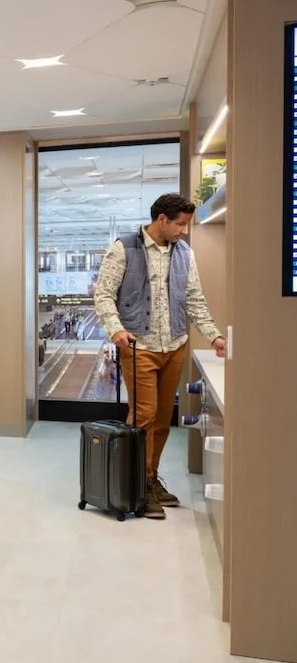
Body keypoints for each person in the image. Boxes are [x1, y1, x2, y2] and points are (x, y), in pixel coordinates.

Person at [93, 193, 226, 520]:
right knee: (144, 415)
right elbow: (104, 295)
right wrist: (116, 330)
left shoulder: (185, 253)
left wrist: (214, 335)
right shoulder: (124, 248)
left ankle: (150, 478)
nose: (184, 231)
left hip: (175, 345)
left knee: (163, 417)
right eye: (180, 224)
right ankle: (136, 485)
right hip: (139, 346)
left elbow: (194, 299)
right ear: (161, 219)